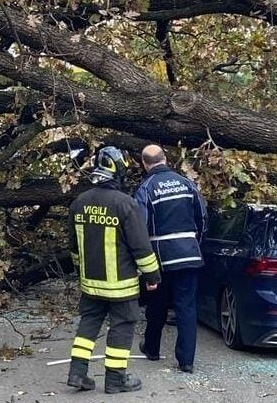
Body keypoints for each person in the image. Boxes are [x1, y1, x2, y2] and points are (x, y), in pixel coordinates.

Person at [65, 146, 160, 394]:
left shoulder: (79, 203)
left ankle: (77, 373)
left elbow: (74, 248)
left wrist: (81, 274)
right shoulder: (125, 204)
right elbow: (141, 246)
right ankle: (116, 379)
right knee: (122, 326)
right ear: (117, 172)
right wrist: (152, 276)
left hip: (90, 284)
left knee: (88, 325)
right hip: (121, 286)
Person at [133, 145, 207, 373]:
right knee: (186, 307)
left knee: (157, 304)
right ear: (165, 159)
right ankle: (187, 361)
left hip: (161, 257)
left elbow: (140, 228)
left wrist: (141, 262)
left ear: (145, 164)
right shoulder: (187, 184)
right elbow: (202, 217)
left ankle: (152, 349)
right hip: (190, 254)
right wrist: (196, 244)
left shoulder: (146, 188)